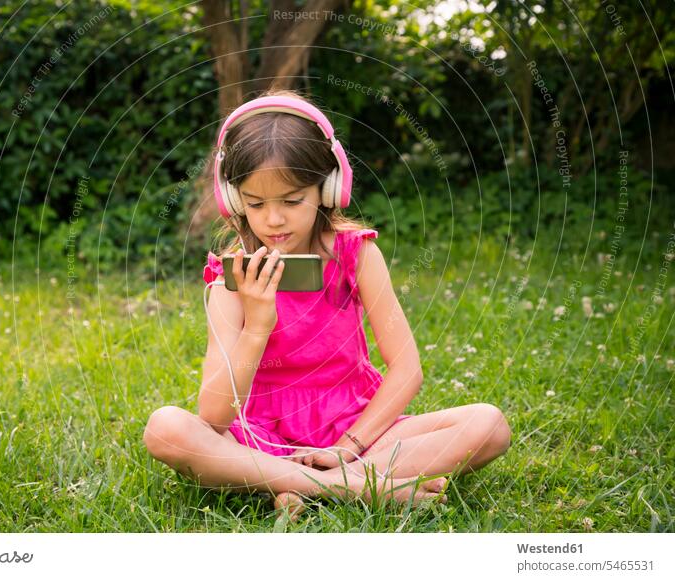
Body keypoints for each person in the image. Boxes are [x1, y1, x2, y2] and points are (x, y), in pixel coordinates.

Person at [143, 89, 511, 520]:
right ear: (234, 199)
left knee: (488, 425)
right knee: (166, 429)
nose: (273, 219)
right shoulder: (231, 275)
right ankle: (365, 489)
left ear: (328, 188)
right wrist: (258, 323)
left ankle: (288, 483)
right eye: (257, 204)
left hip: (355, 431)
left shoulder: (358, 254)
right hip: (257, 435)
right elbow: (214, 415)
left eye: (292, 200)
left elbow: (407, 369)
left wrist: (345, 448)